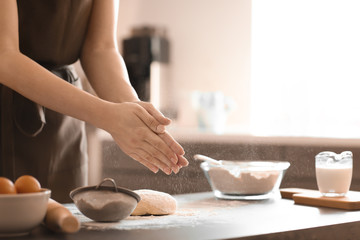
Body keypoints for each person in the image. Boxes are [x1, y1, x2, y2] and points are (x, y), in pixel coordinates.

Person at [0, 0, 188, 203]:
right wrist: (107, 116)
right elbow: (5, 57)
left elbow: (100, 48)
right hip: (6, 112)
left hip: (66, 120)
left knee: (66, 220)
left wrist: (133, 110)